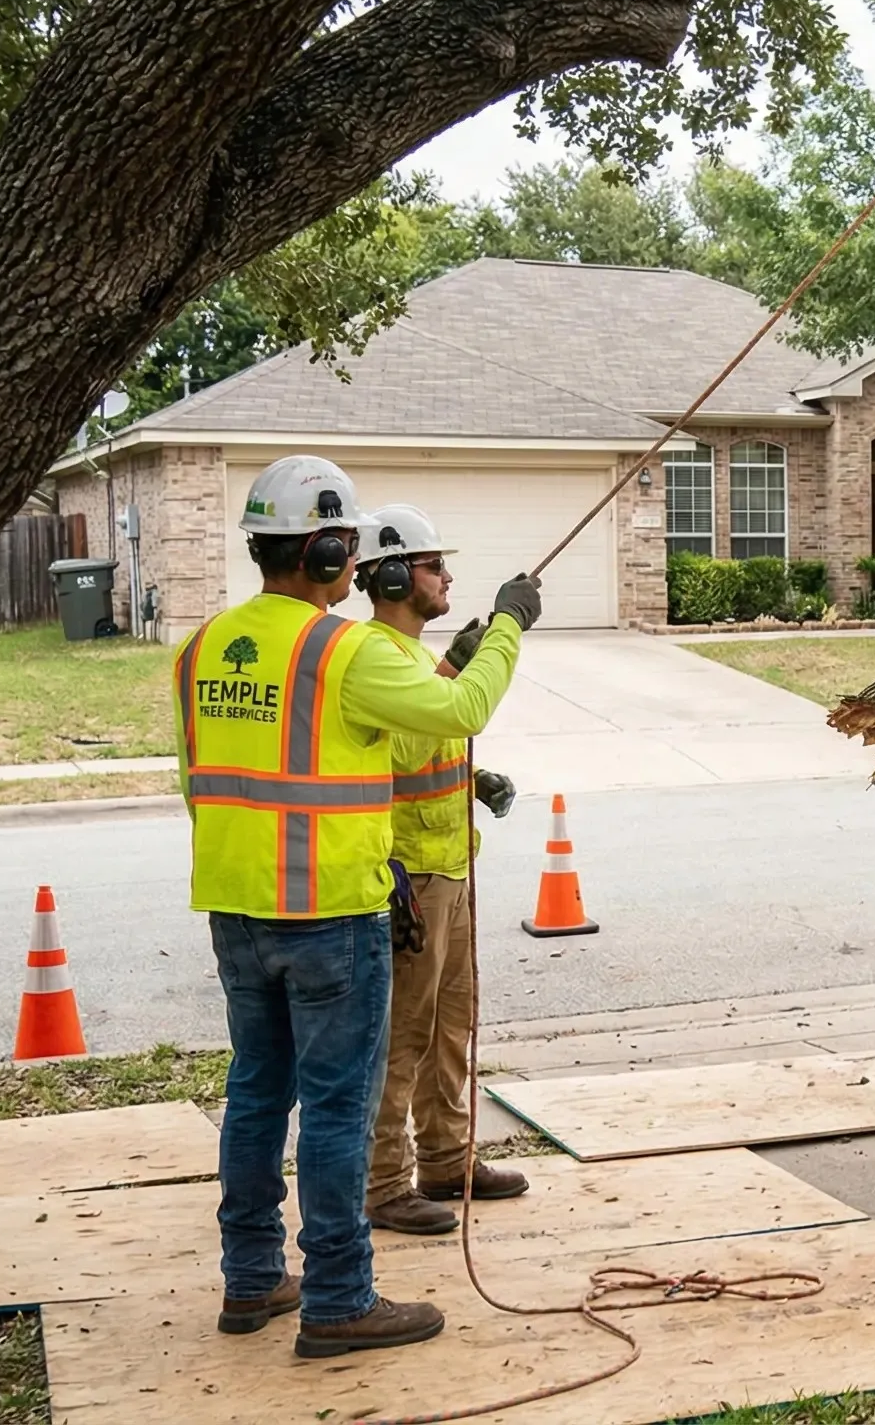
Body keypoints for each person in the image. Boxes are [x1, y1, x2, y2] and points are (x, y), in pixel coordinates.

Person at [175, 456, 541, 1358]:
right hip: (333, 910)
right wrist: (507, 630)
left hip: (236, 908)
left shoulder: (200, 646)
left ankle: (253, 1281)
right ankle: (340, 1298)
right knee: (339, 1108)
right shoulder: (342, 651)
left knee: (258, 1097)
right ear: (336, 550)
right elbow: (460, 707)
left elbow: (212, 781)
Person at [352, 504, 526, 1237]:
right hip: (410, 878)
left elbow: (428, 742)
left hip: (449, 872)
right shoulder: (372, 655)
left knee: (452, 1026)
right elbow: (429, 733)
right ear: (391, 575)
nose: (447, 575)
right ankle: (385, 1183)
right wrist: (505, 632)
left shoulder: (414, 659)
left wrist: (472, 780)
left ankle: (448, 1159)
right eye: (432, 565)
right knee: (403, 1037)